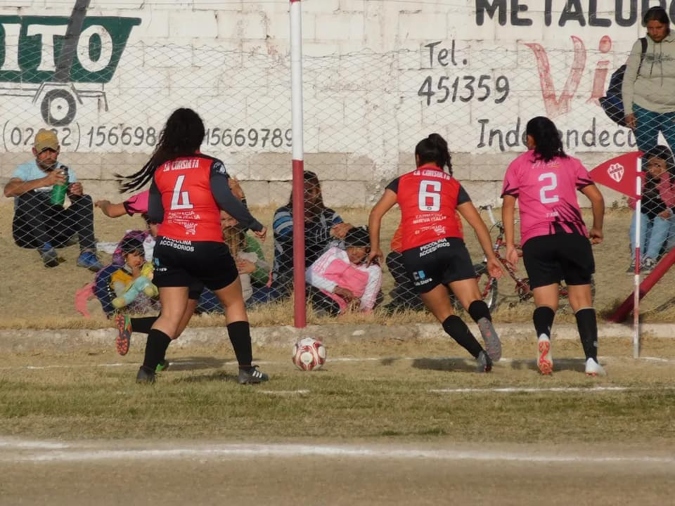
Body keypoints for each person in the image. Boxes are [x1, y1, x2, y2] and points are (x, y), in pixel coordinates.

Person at [118, 107, 268, 385]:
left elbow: (156, 214)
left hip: (170, 247)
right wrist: (253, 223)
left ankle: (147, 371)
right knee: (233, 302)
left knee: (171, 315)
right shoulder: (211, 165)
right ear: (200, 135)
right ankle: (247, 370)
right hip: (206, 244)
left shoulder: (161, 170)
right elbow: (225, 197)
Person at [368, 133, 503, 372]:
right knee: (472, 300)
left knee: (444, 313)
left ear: (418, 158)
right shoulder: (452, 183)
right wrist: (491, 257)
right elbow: (477, 223)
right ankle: (483, 321)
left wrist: (376, 247)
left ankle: (480, 355)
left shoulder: (402, 181)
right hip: (450, 244)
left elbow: (376, 214)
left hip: (416, 251)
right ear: (442, 160)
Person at [501, 116, 606, 377]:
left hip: (537, 241)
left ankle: (544, 335)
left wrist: (512, 245)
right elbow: (596, 198)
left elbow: (508, 206)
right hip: (572, 237)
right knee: (581, 300)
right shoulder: (570, 163)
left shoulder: (518, 165)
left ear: (530, 138)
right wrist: (597, 228)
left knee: (545, 302)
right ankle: (591, 360)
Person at [3, 129, 102, 271]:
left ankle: (87, 254)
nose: (48, 155)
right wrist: (45, 181)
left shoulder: (65, 171)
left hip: (56, 231)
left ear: (58, 150)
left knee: (85, 200)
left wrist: (76, 193)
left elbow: (76, 204)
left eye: (52, 150)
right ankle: (45, 248)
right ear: (34, 152)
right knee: (27, 195)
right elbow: (9, 190)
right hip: (28, 233)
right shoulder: (25, 169)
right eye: (43, 151)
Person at [266, 170, 352, 300]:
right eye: (300, 190)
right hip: (291, 274)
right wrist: (330, 232)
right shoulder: (283, 214)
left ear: (317, 192)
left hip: (326, 274)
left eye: (309, 191)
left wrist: (349, 229)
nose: (304, 195)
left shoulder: (329, 214)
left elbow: (343, 235)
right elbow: (294, 238)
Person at [622, 6, 675, 154]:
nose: (655, 32)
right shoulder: (641, 45)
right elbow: (628, 80)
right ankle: (649, 178)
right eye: (650, 28)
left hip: (672, 111)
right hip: (644, 109)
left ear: (667, 25)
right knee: (647, 156)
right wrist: (628, 111)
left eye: (659, 27)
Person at [306, 226, 383, 316]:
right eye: (350, 247)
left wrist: (357, 304)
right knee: (293, 278)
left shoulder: (373, 270)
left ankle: (318, 312)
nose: (354, 252)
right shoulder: (335, 253)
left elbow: (368, 302)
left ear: (368, 249)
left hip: (336, 305)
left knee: (330, 306)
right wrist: (336, 289)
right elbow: (309, 275)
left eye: (359, 247)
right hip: (316, 292)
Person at [627, 145, 675, 273]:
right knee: (639, 213)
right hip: (649, 229)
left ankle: (650, 259)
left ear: (668, 165)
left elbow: (670, 202)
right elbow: (631, 202)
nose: (653, 169)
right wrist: (643, 194)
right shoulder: (643, 179)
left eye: (658, 165)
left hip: (670, 232)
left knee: (664, 214)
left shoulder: (672, 180)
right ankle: (636, 258)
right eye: (650, 165)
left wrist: (664, 181)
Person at [109, 237, 160, 314]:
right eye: (135, 255)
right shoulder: (118, 275)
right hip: (132, 309)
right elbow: (121, 298)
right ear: (124, 255)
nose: (139, 260)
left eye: (141, 255)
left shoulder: (148, 269)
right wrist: (136, 278)